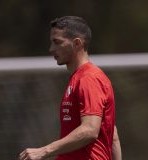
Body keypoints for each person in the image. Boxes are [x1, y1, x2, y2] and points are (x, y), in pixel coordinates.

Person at [18, 16, 122, 160]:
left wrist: (44, 150)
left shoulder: (89, 78)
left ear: (77, 43)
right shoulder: (78, 78)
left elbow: (90, 130)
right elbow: (113, 134)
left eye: (57, 42)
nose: (51, 49)